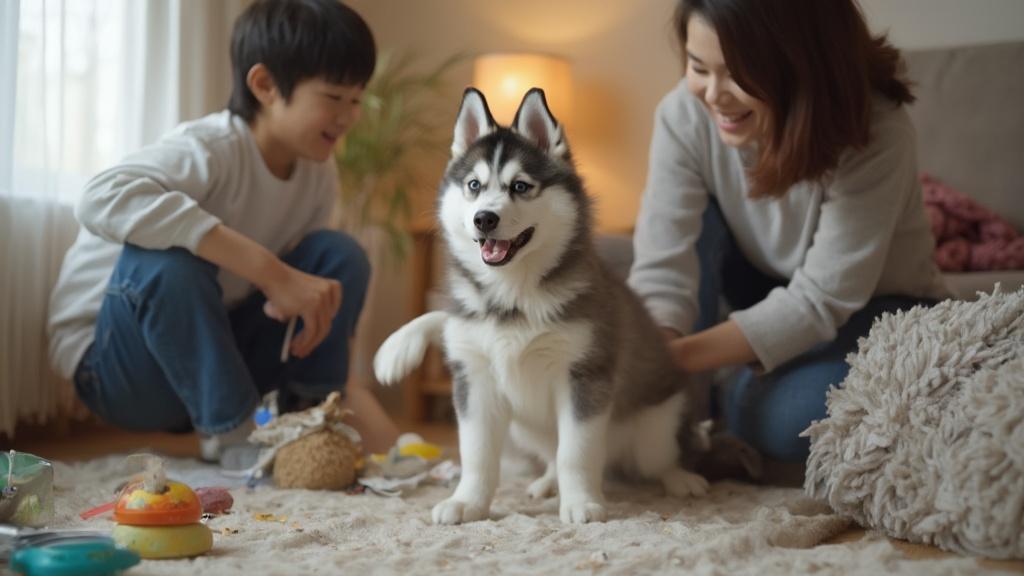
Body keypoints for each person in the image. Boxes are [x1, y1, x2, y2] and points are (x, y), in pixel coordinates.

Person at [47, 0, 400, 461]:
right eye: (334, 97)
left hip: (216, 355)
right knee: (166, 257)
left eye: (356, 100)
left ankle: (312, 418)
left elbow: (299, 295)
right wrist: (271, 272)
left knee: (339, 255)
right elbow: (98, 196)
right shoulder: (209, 148)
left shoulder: (318, 175)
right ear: (265, 85)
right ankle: (234, 436)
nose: (348, 115)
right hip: (118, 366)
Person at [628, 0, 951, 464]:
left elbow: (822, 298)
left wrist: (673, 361)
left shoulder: (878, 130)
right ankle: (703, 400)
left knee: (792, 420)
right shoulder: (683, 114)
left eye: (739, 74)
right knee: (697, 231)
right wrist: (647, 351)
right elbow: (663, 264)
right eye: (698, 67)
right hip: (764, 290)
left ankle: (727, 391)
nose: (713, 95)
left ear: (802, 65)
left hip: (880, 309)